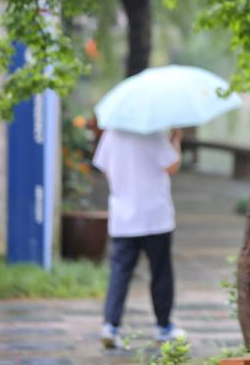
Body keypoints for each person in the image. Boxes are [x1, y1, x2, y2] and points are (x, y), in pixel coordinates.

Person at [92, 126, 187, 349]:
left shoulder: (112, 134)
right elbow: (172, 166)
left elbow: (105, 169)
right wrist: (176, 138)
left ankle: (110, 326)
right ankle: (163, 327)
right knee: (160, 272)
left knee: (120, 272)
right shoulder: (153, 133)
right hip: (155, 216)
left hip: (123, 217)